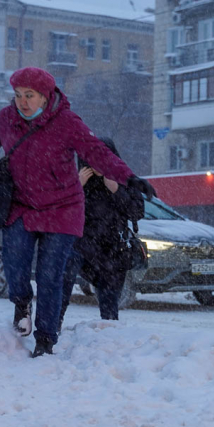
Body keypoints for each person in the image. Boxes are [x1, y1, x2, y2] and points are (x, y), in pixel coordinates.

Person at [0, 67, 156, 358]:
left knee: (51, 276)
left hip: (62, 209)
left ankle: (45, 340)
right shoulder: (7, 118)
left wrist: (129, 178)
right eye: (18, 95)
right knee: (15, 263)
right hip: (22, 204)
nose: (22, 102)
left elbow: (98, 152)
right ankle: (22, 302)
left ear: (45, 97)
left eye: (29, 96)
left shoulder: (67, 122)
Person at [59, 138, 144, 328]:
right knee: (62, 284)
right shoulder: (75, 179)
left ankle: (109, 333)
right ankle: (53, 327)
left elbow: (137, 211)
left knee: (109, 299)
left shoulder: (124, 179)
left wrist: (115, 189)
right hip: (80, 245)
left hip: (112, 249)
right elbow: (58, 210)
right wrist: (76, 186)